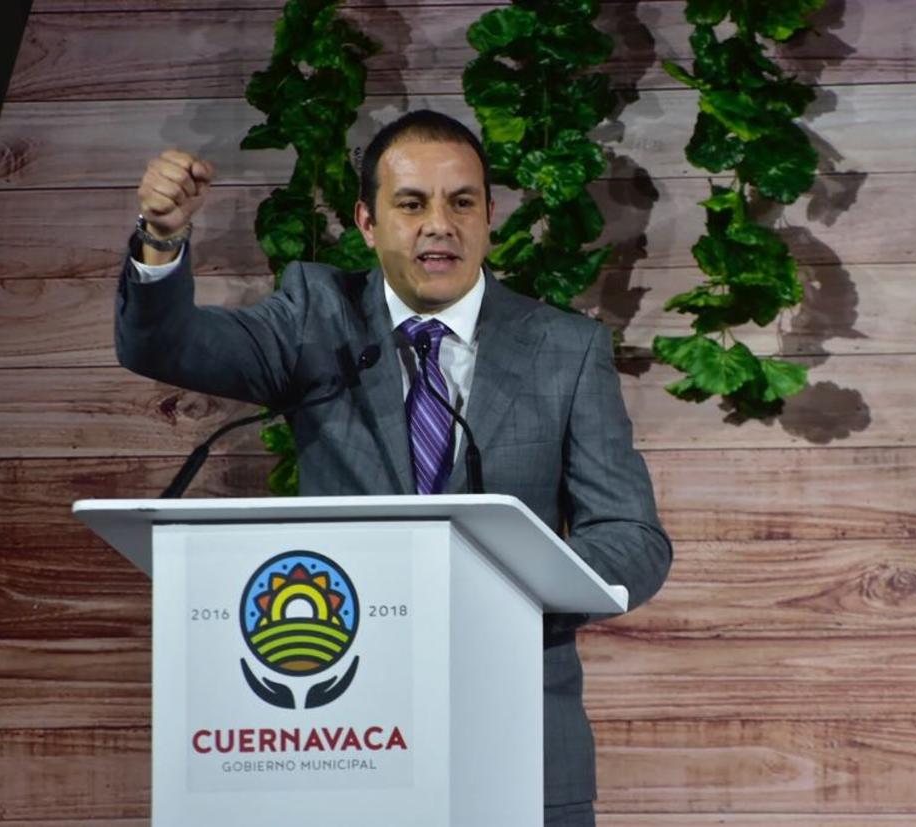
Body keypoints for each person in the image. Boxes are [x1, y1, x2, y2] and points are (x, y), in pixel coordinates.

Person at [116, 110, 672, 826]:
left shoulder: (566, 350)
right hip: (345, 746)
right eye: (411, 204)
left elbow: (633, 539)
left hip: (522, 750)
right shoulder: (316, 318)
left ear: (490, 216)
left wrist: (509, 586)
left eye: (461, 202)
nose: (439, 224)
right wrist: (162, 240)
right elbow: (165, 347)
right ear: (368, 223)